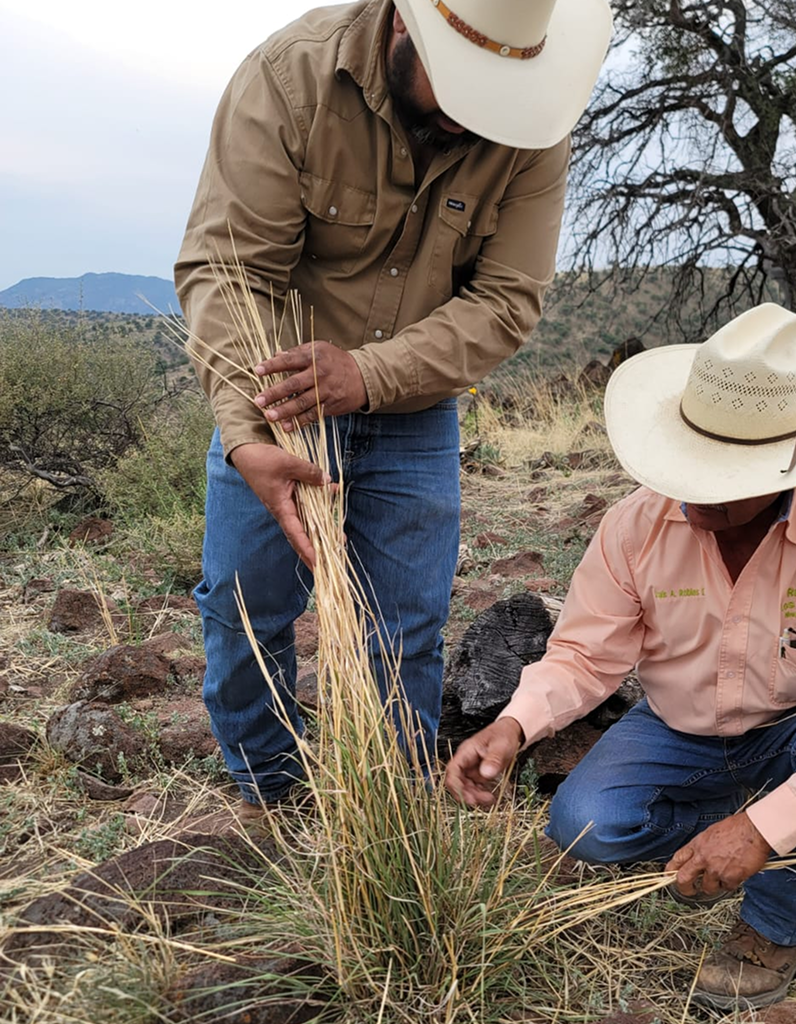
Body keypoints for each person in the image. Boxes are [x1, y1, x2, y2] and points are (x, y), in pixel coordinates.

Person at [445, 303, 796, 1011]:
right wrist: (515, 724)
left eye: (724, 476)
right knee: (583, 824)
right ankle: (757, 826)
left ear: (791, 463)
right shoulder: (634, 527)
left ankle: (775, 925)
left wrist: (765, 829)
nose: (692, 494)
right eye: (690, 465)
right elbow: (585, 654)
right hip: (678, 727)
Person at [175, 0, 613, 815]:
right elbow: (228, 271)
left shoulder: (536, 118)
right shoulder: (289, 76)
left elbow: (506, 301)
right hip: (277, 399)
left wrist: (370, 374)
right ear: (408, 24)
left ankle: (388, 812)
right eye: (461, 87)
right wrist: (247, 433)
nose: (476, 120)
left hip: (415, 410)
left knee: (405, 631)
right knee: (244, 609)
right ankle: (270, 797)